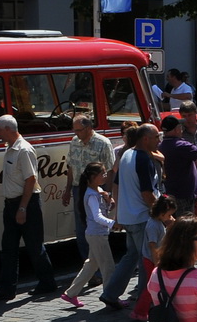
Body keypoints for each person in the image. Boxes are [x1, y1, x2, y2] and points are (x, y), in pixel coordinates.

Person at [0, 115, 58, 302]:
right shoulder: (10, 148)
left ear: (9, 129)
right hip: (11, 204)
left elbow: (31, 180)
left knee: (35, 246)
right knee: (8, 249)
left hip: (26, 204)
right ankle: (6, 290)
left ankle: (48, 282)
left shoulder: (24, 150)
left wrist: (22, 208)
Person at [103, 124, 162, 309]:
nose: (158, 141)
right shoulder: (143, 158)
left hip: (128, 216)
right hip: (140, 216)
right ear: (145, 139)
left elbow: (117, 185)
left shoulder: (126, 154)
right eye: (155, 137)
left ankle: (110, 293)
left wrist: (119, 214)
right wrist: (161, 215)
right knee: (146, 259)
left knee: (131, 256)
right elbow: (147, 193)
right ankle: (145, 301)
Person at [61, 162, 114, 309]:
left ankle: (70, 294)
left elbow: (103, 211)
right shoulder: (91, 195)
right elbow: (97, 217)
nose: (105, 176)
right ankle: (110, 296)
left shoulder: (98, 191)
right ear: (92, 177)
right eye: (102, 174)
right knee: (108, 267)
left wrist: (109, 202)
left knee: (91, 265)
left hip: (95, 234)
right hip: (97, 235)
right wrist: (112, 223)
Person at [62, 115, 114, 261]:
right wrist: (67, 190)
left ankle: (99, 265)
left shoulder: (103, 143)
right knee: (81, 228)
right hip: (78, 189)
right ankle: (88, 263)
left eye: (79, 130)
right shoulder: (74, 142)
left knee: (97, 228)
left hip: (97, 190)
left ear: (89, 128)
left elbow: (110, 170)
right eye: (75, 130)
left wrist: (108, 194)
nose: (76, 133)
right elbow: (71, 167)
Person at [158, 115, 197, 214]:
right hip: (184, 196)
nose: (182, 129)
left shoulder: (161, 146)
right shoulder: (181, 145)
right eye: (180, 127)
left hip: (170, 193)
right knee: (185, 226)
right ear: (176, 129)